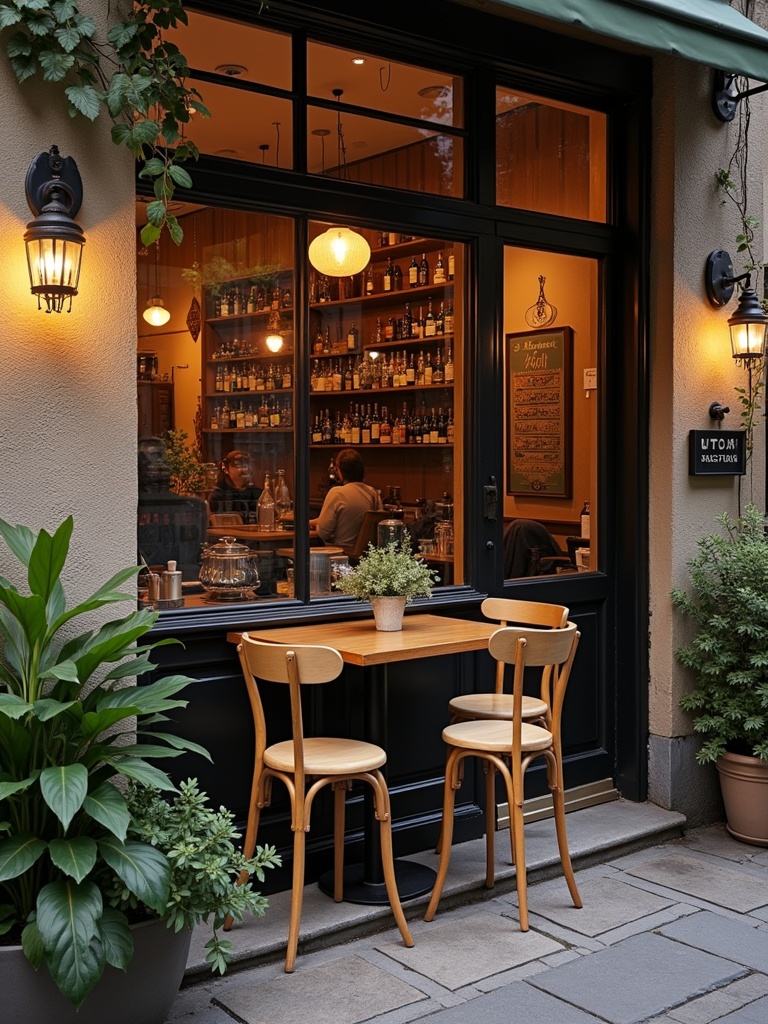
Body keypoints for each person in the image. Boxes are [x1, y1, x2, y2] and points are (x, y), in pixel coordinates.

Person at [309, 448, 382, 547]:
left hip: (341, 554)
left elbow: (323, 533)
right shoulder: (373, 494)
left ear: (340, 471)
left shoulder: (337, 493)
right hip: (368, 556)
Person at [209, 451, 263, 520]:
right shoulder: (218, 495)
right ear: (225, 469)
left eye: (246, 465)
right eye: (238, 465)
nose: (244, 469)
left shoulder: (259, 494)